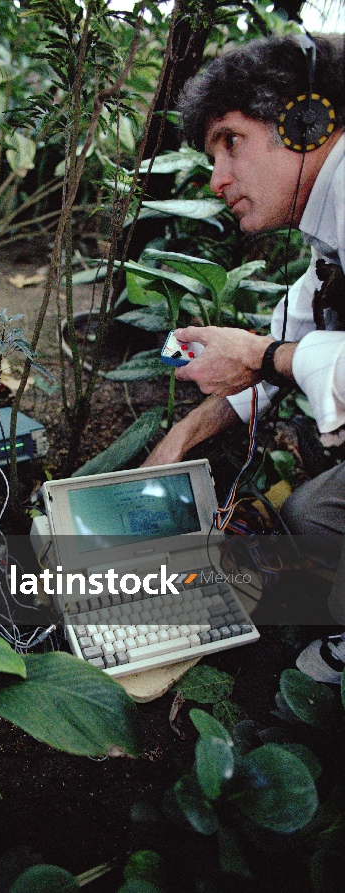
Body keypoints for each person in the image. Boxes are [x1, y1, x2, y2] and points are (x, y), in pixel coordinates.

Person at [142, 34, 345, 681]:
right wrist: (181, 437)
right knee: (310, 515)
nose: (217, 178)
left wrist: (263, 353)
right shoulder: (329, 244)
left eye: (231, 140)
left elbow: (274, 356)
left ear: (306, 119)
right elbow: (280, 349)